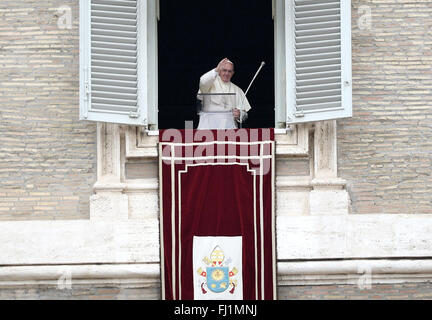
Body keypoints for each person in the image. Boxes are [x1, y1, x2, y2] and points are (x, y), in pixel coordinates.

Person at [196, 58, 251, 129]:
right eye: (224, 70)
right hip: (208, 129)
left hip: (229, 131)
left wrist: (240, 114)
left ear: (233, 73)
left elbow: (245, 114)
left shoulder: (237, 90)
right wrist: (216, 69)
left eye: (229, 71)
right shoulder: (210, 84)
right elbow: (202, 82)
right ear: (219, 71)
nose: (227, 73)